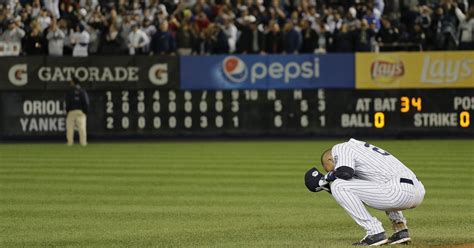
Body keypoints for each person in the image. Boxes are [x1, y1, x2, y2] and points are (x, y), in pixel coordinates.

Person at [304, 138, 425, 246]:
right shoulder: (360, 149)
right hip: (417, 190)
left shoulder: (340, 148)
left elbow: (345, 172)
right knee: (378, 183)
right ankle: (401, 231)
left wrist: (326, 178)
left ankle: (375, 232)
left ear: (330, 159)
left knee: (338, 185)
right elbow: (353, 184)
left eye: (329, 167)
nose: (332, 170)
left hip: (398, 192)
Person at [65, 80, 89, 146]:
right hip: (80, 112)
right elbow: (86, 102)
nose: (70, 84)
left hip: (72, 112)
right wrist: (85, 112)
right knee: (82, 128)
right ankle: (83, 143)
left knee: (70, 128)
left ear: (74, 82)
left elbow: (67, 103)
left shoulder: (70, 92)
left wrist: (67, 111)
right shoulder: (82, 91)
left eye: (71, 82)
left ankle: (70, 143)